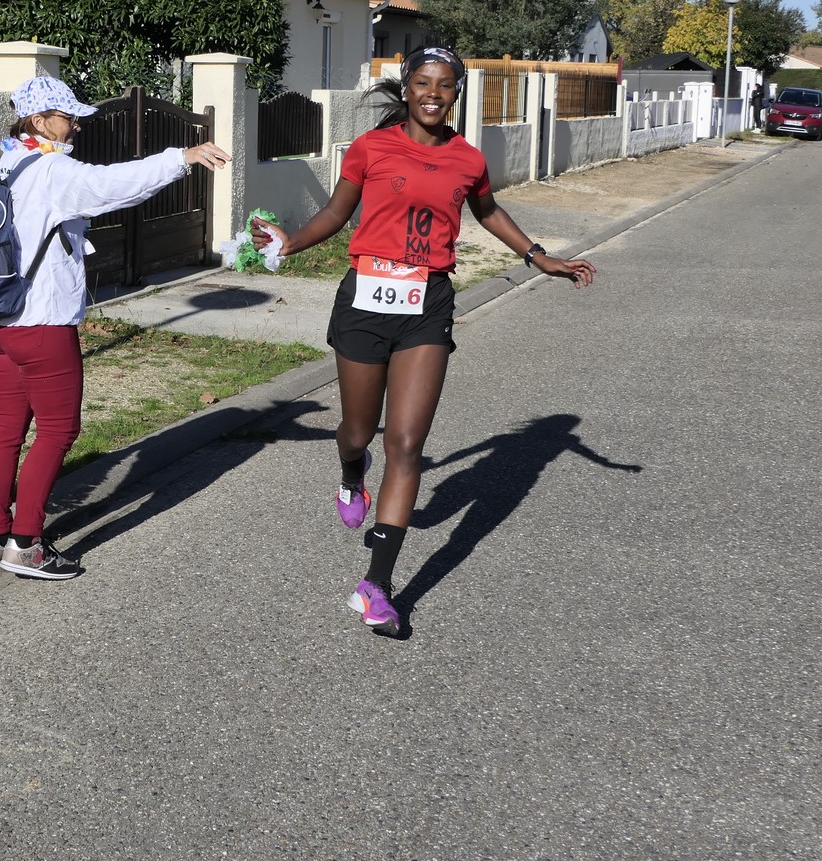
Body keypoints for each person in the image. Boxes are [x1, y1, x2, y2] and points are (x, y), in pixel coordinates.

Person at [249, 47, 595, 638]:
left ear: (457, 92)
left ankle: (376, 586)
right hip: (365, 299)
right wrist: (290, 242)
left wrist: (539, 257)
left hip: (428, 305)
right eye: (423, 83)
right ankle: (352, 471)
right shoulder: (371, 148)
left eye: (445, 85)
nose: (433, 93)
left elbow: (488, 211)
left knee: (407, 444)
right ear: (406, 88)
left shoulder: (467, 158)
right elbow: (336, 213)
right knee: (359, 430)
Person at [0, 75, 230, 579]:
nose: (76, 125)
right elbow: (113, 186)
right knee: (58, 430)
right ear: (39, 120)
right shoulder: (52, 170)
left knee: (6, 430)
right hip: (41, 320)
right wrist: (181, 157)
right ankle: (26, 546)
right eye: (68, 117)